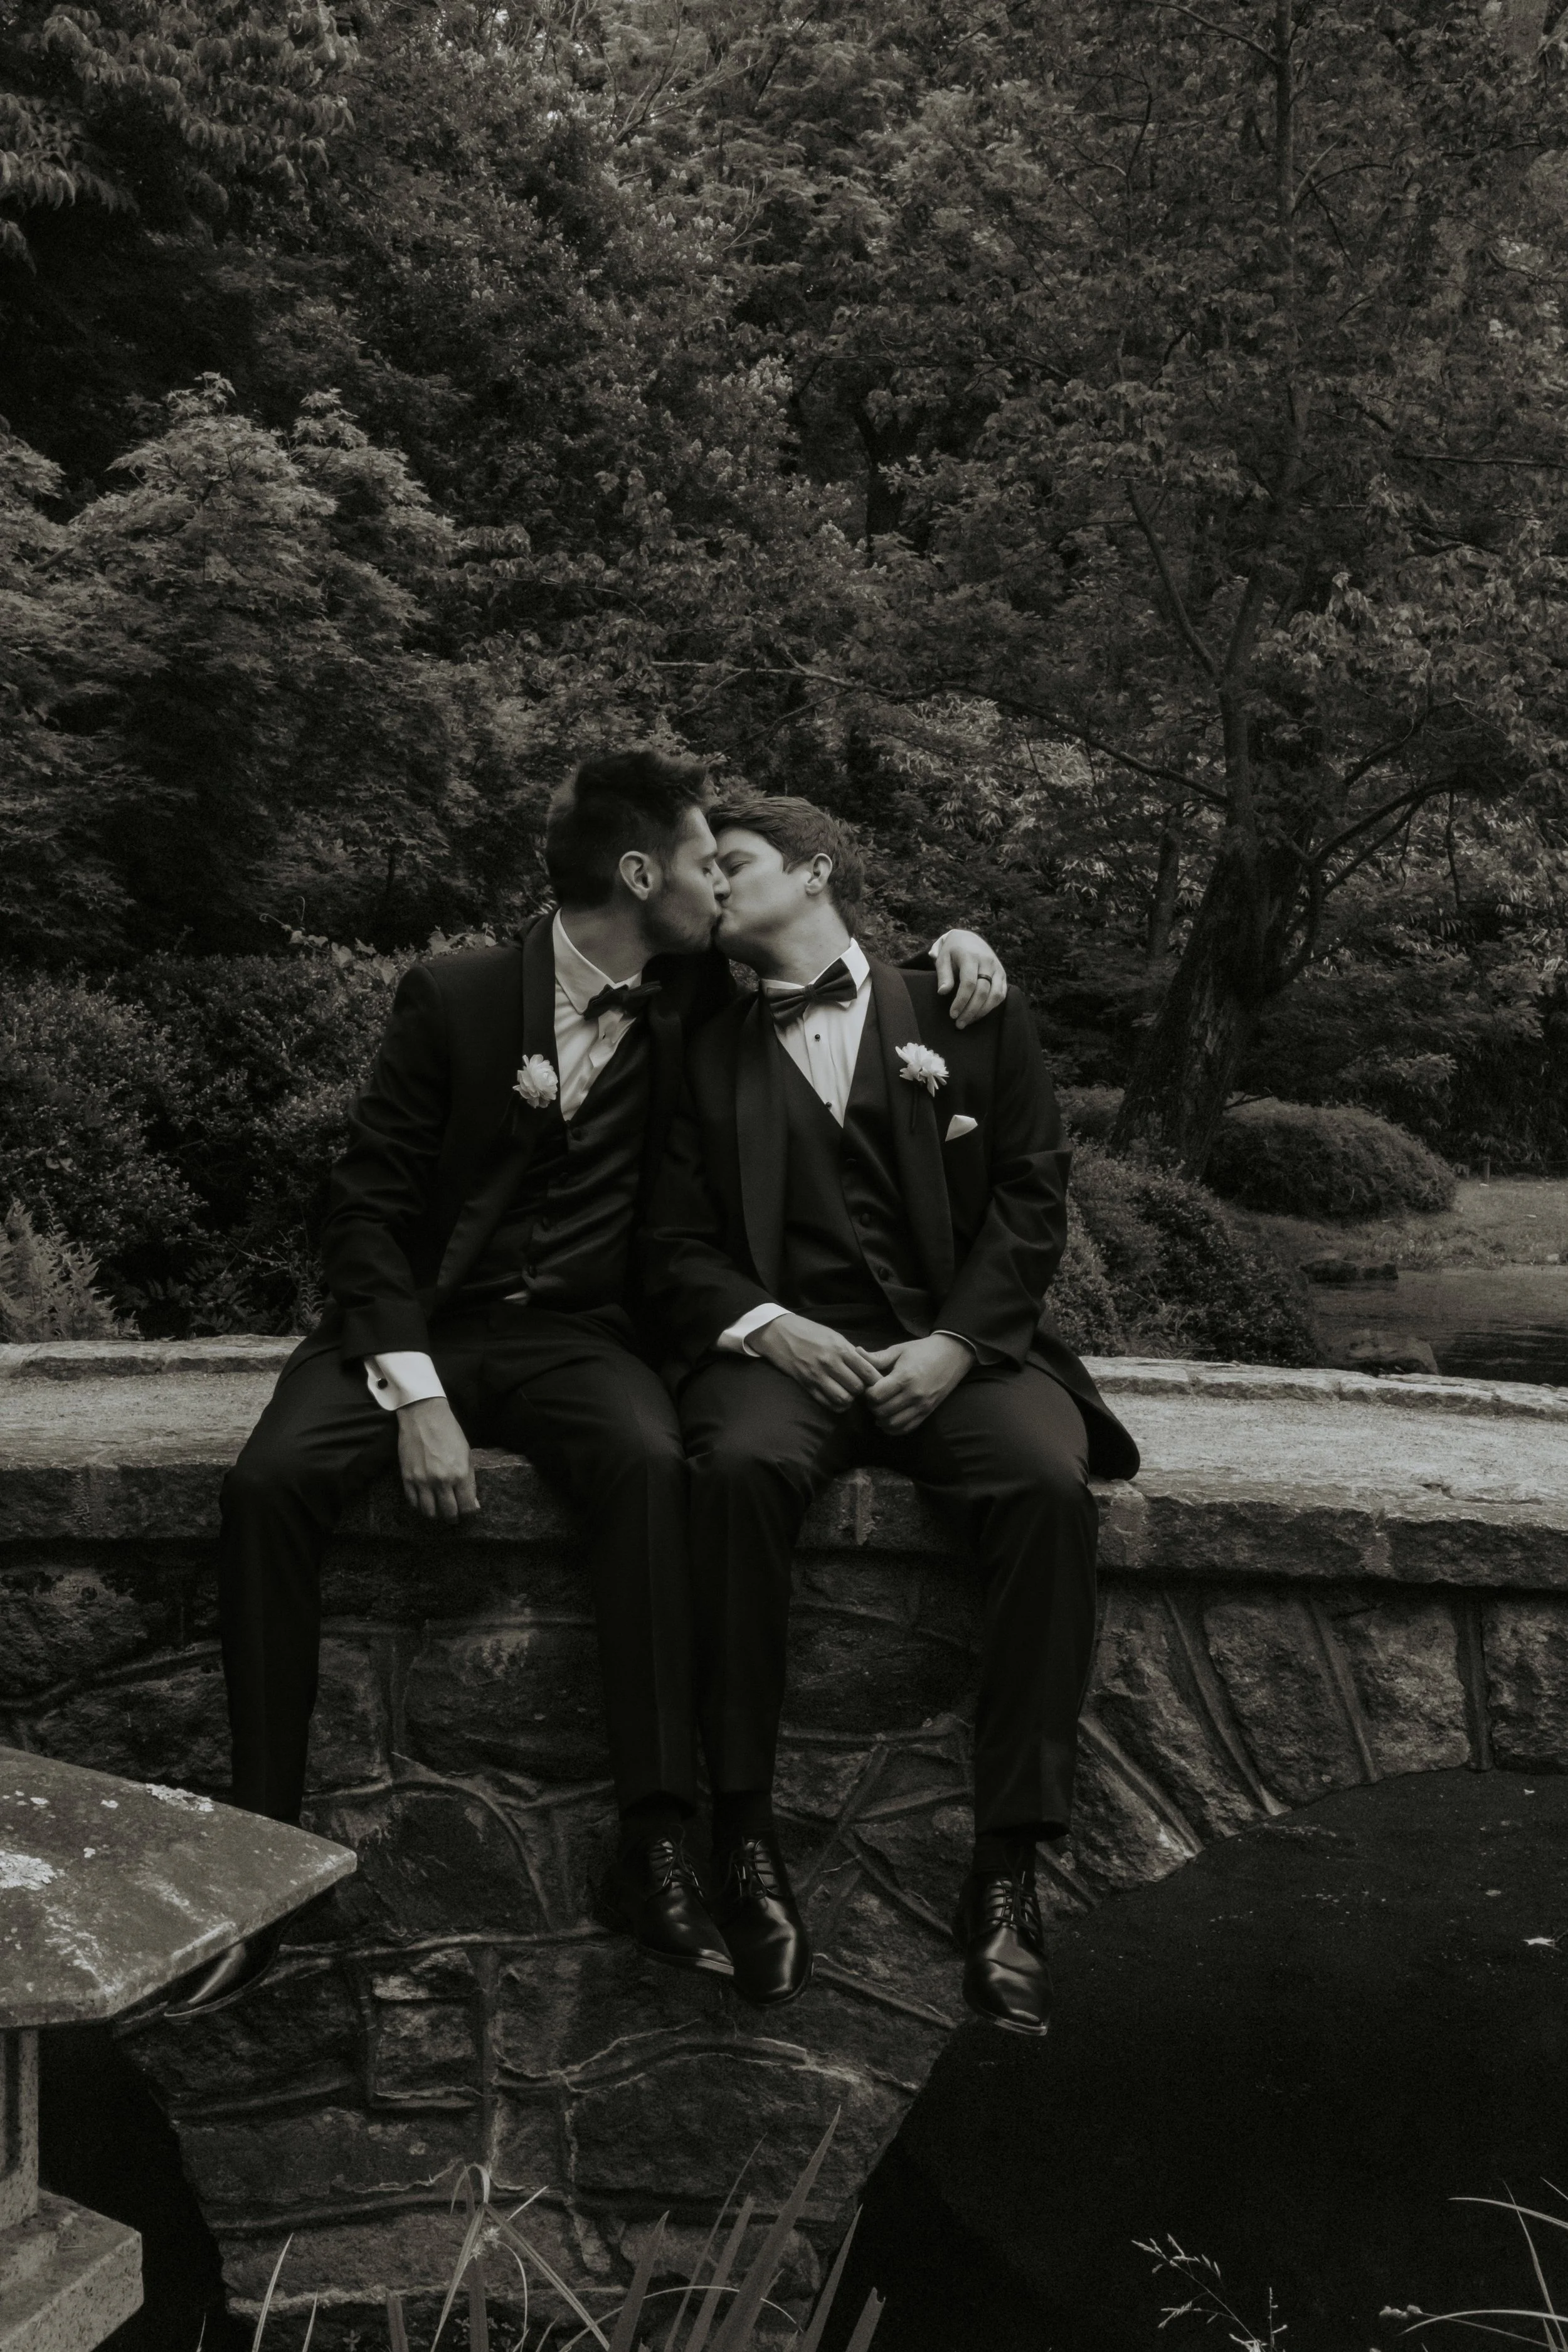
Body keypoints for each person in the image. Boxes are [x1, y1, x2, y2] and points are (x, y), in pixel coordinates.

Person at [175, 750, 1010, 2016]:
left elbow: (831, 962)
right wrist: (420, 1400)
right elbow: (362, 1214)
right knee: (270, 1486)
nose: (717, 887)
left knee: (648, 1464)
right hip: (419, 1330)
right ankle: (261, 1866)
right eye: (698, 862)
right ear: (638, 873)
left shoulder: (696, 994)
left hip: (577, 1339)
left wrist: (955, 946)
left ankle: (659, 1841)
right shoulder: (453, 997)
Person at [642, 794, 1140, 2034]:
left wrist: (959, 1346)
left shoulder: (966, 1008)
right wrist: (765, 1328)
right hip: (778, 1357)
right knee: (734, 1475)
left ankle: (1007, 1869)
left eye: (732, 865)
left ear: (816, 872)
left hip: (948, 1348)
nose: (708, 888)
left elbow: (1030, 1197)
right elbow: (663, 1239)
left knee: (1040, 1491)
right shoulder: (685, 1033)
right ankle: (744, 1842)